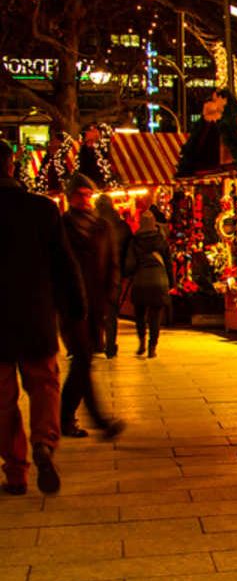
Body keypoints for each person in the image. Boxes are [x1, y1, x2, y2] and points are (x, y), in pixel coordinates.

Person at [0, 139, 86, 495]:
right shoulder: (41, 210)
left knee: (2, 400)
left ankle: (16, 471)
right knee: (44, 383)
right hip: (35, 313)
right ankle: (44, 443)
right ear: (10, 166)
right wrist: (75, 307)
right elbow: (64, 265)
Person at [59, 174, 124, 440]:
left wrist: (110, 296)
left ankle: (64, 418)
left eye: (88, 194)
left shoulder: (102, 227)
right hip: (71, 305)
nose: (85, 199)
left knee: (83, 362)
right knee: (83, 359)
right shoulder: (61, 226)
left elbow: (112, 263)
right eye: (80, 194)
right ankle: (97, 420)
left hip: (96, 305)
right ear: (70, 196)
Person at [125, 211, 171, 358]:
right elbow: (168, 262)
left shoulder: (135, 241)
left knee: (139, 315)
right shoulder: (161, 240)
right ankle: (152, 347)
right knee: (155, 316)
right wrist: (170, 281)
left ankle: (142, 342)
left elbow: (130, 264)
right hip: (159, 281)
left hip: (141, 282)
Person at [96, 194, 132, 358]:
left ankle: (97, 343)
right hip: (115, 274)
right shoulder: (122, 226)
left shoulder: (93, 225)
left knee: (95, 311)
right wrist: (126, 271)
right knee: (111, 313)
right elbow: (129, 252)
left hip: (95, 274)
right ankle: (110, 345)